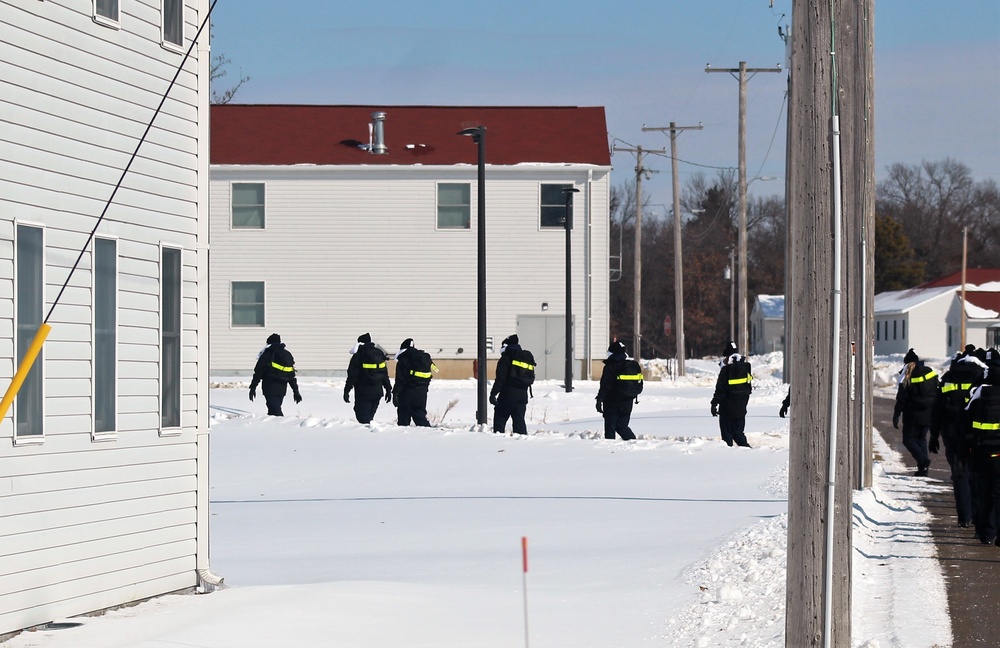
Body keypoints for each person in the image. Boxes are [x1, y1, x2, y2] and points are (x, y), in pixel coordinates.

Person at [931, 348, 986, 527]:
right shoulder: (981, 378)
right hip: (975, 435)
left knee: (959, 475)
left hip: (952, 434)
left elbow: (937, 409)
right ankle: (979, 515)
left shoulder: (948, 378)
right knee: (977, 475)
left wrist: (933, 435)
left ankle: (964, 517)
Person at [964, 357, 1000, 545]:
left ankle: (985, 533)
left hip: (981, 454)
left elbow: (967, 427)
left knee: (983, 494)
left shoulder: (978, 400)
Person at [893, 348, 939, 477]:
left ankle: (923, 461)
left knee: (908, 440)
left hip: (912, 414)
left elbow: (902, 397)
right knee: (921, 439)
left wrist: (897, 414)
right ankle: (923, 470)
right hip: (929, 412)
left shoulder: (907, 375)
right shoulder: (929, 372)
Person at [595, 340, 641, 440]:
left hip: (612, 402)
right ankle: (633, 444)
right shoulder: (631, 366)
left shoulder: (610, 367)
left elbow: (605, 385)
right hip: (628, 400)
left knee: (610, 427)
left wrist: (599, 399)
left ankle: (611, 450)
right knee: (622, 426)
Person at [710, 341, 753, 448]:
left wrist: (714, 404)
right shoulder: (745, 368)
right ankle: (749, 454)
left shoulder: (725, 371)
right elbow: (748, 388)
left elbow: (720, 390)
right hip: (741, 409)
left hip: (727, 411)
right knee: (739, 435)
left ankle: (728, 458)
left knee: (727, 438)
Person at [248, 333, 301, 416]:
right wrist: (296, 391)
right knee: (273, 410)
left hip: (269, 386)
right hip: (282, 388)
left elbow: (258, 372)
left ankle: (283, 427)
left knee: (275, 411)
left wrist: (253, 387)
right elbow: (291, 375)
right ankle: (272, 427)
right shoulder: (287, 354)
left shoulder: (266, 354)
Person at [344, 333, 392, 424]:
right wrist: (388, 389)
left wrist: (347, 390)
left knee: (363, 419)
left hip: (363, 393)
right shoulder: (379, 354)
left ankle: (367, 436)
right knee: (369, 419)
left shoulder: (359, 355)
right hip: (377, 393)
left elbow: (352, 375)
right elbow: (384, 374)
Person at [489, 334, 533, 435]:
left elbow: (500, 379)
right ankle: (521, 443)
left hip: (508, 394)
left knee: (500, 418)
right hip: (522, 395)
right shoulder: (524, 357)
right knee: (519, 421)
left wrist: (493, 394)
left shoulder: (506, 359)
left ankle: (497, 441)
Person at [392, 338, 434, 427]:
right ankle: (429, 435)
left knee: (404, 419)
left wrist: (395, 393)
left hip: (407, 393)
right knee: (420, 417)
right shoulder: (423, 359)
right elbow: (434, 372)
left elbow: (400, 379)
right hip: (422, 393)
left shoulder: (404, 360)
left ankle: (403, 438)